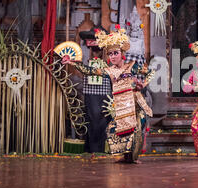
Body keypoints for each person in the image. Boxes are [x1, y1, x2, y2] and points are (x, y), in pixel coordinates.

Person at [62, 24, 155, 163]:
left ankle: (132, 157)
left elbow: (150, 72)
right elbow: (89, 71)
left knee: (136, 128)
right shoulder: (109, 71)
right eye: (110, 54)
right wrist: (73, 63)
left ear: (121, 54)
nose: (112, 56)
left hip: (133, 103)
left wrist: (143, 84)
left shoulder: (132, 66)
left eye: (115, 53)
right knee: (116, 130)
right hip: (119, 104)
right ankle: (124, 156)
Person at [82, 45, 111, 153]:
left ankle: (99, 148)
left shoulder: (108, 59)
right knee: (91, 119)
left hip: (103, 93)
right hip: (91, 93)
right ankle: (91, 148)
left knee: (102, 120)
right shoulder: (86, 57)